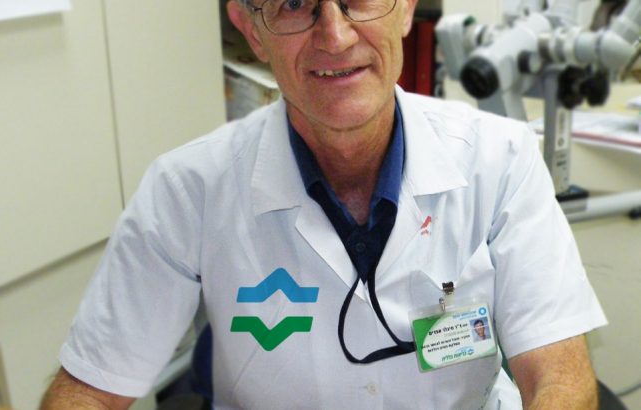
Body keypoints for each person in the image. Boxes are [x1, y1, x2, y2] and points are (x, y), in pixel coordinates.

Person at [41, 0, 607, 408]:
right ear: (251, 28)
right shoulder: (186, 190)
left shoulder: (500, 159)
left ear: (406, 9)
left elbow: (560, 377)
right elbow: (89, 391)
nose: (334, 35)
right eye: (293, 4)